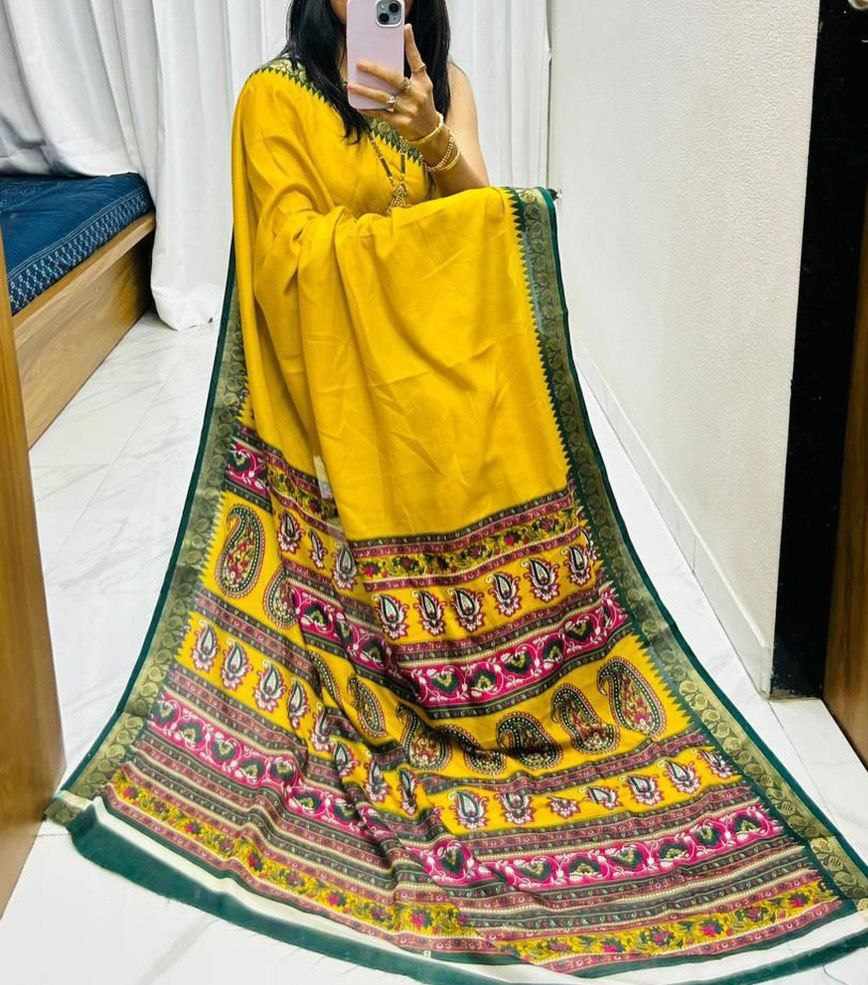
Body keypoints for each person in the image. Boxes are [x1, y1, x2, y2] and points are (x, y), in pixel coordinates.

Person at [47, 1, 868, 980]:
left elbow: (484, 229)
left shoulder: (448, 88)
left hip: (423, 373)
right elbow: (287, 266)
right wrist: (385, 253)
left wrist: (431, 130)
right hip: (336, 396)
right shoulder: (274, 100)